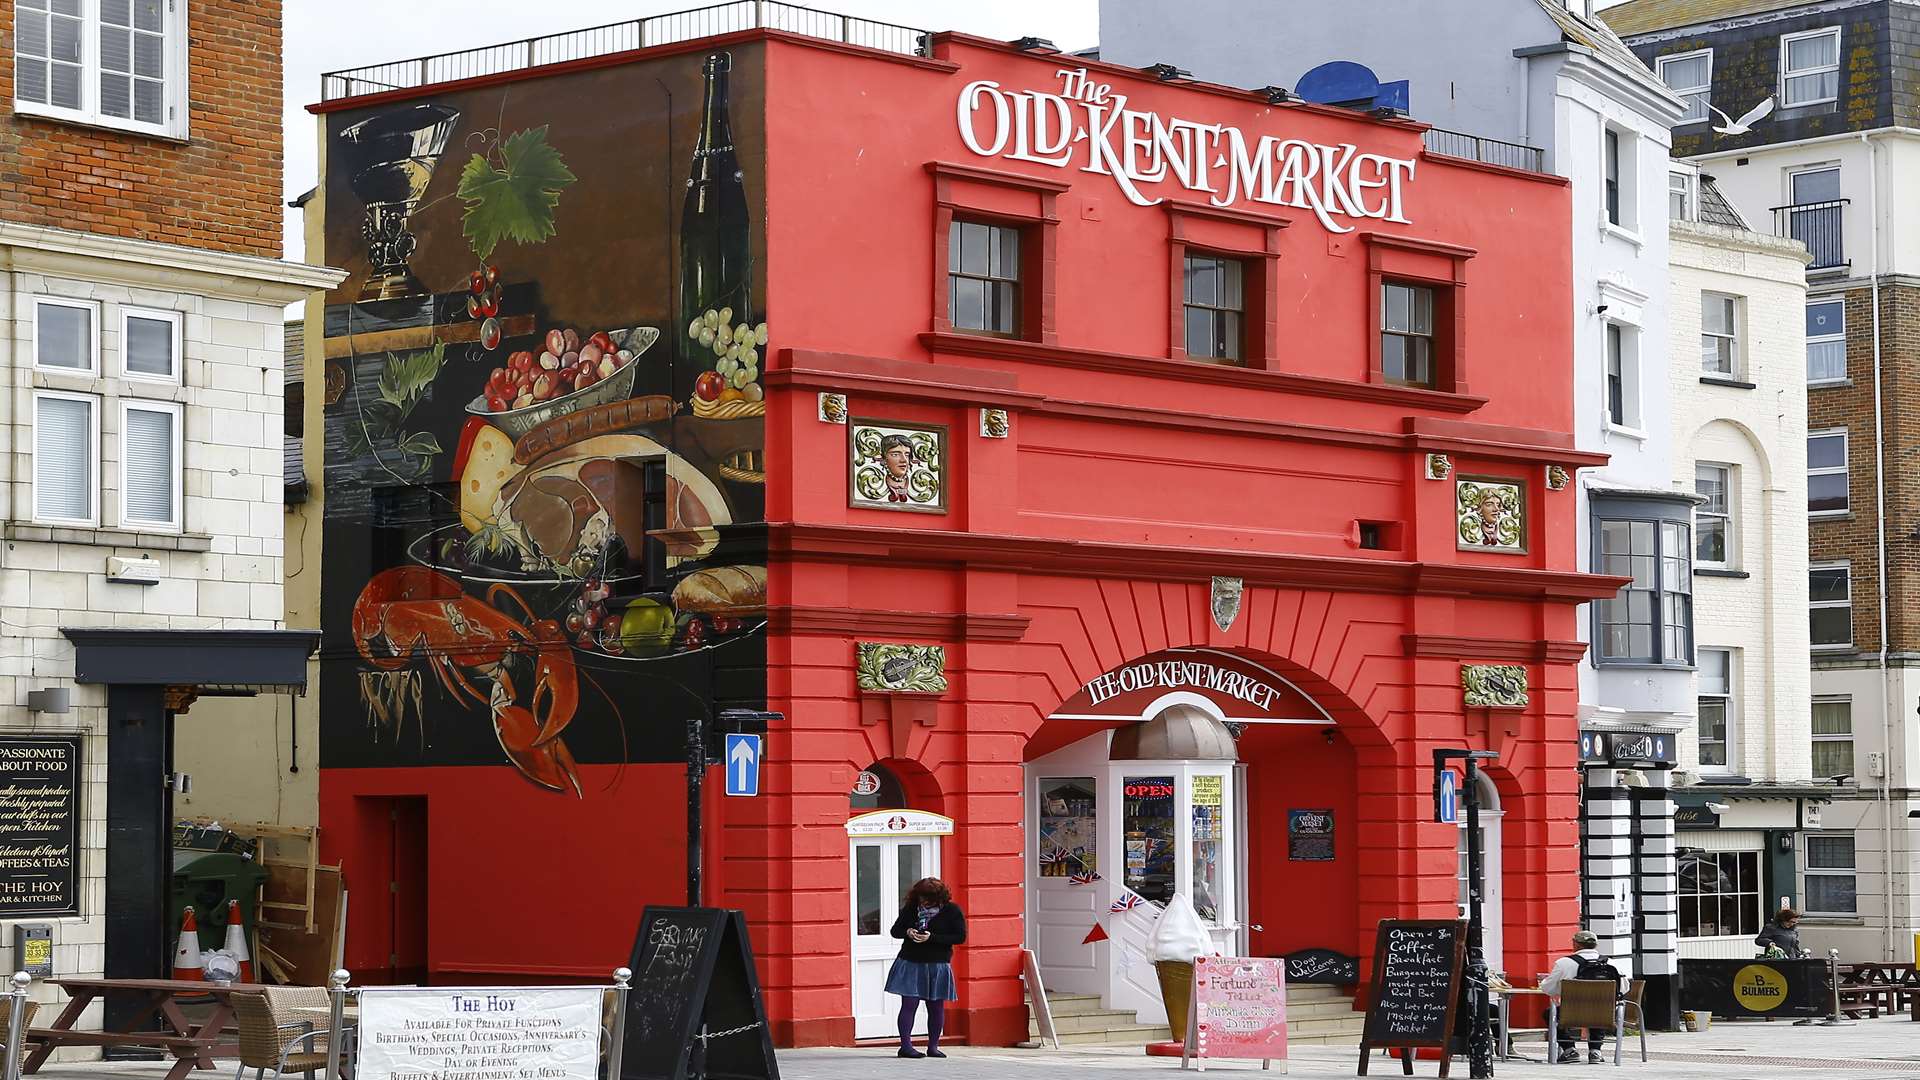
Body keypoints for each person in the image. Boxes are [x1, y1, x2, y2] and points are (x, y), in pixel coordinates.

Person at [886, 877, 965, 1059]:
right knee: (909, 1004)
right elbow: (895, 931)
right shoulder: (911, 909)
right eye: (922, 897)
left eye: (928, 898)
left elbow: (960, 937)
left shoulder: (952, 911)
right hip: (910, 962)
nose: (924, 901)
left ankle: (933, 1047)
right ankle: (905, 1046)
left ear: (939, 897)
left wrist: (932, 937)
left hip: (938, 964)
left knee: (936, 1006)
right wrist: (908, 932)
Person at [1538, 930, 1625, 1064]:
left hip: (1570, 1013)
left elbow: (1548, 988)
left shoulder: (1563, 963)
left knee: (1549, 1013)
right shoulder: (1612, 964)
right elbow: (1624, 988)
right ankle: (1595, 1051)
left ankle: (1569, 1049)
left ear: (1576, 944)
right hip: (1605, 1014)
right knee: (1599, 1007)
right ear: (1595, 945)